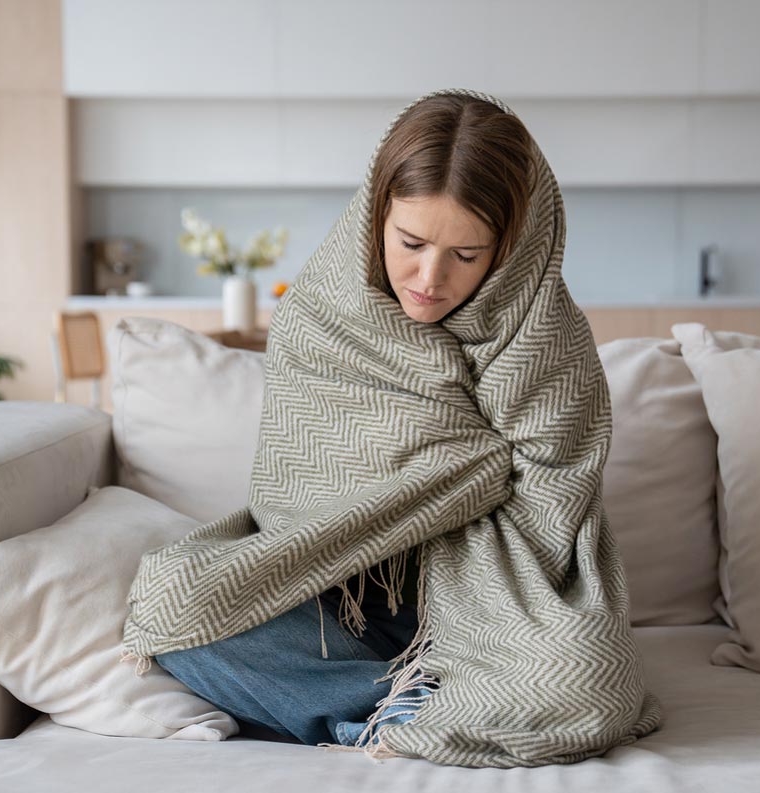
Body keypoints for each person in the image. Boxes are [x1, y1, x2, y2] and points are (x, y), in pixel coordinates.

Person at [153, 91, 536, 749]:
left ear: (504, 251)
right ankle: (406, 705)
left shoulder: (538, 336)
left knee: (575, 666)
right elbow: (295, 503)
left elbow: (557, 506)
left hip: (482, 604)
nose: (429, 277)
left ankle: (411, 701)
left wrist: (473, 470)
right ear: (374, 217)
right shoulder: (315, 320)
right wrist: (456, 470)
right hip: (335, 599)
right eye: (410, 242)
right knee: (178, 611)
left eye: (465, 255)